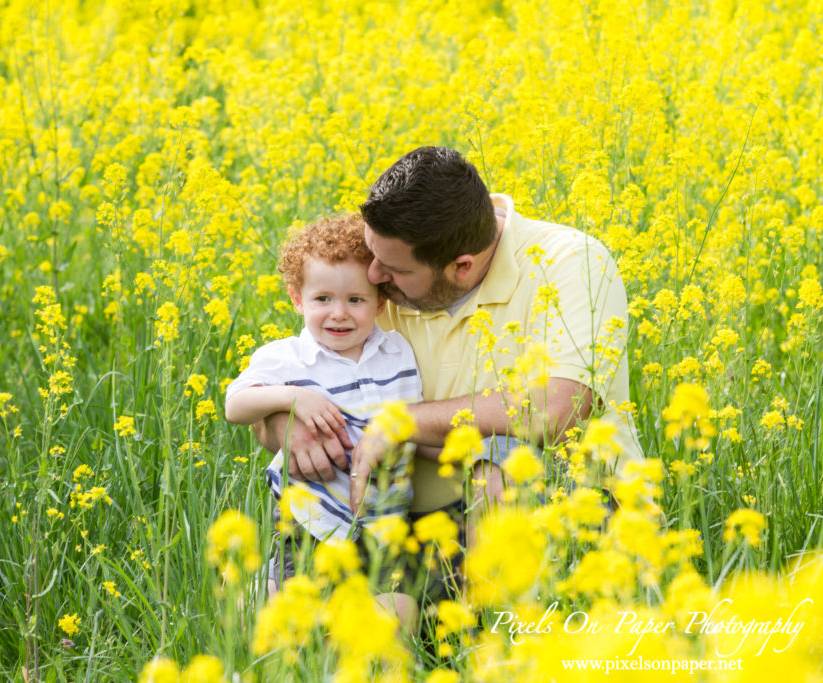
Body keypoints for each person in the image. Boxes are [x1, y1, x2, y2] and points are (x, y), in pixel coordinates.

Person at [256, 146, 643, 598]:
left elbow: (558, 408)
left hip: (558, 504)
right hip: (399, 524)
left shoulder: (571, 263)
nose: (374, 275)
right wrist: (286, 420)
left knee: (499, 463)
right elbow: (309, 375)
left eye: (394, 269)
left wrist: (401, 423)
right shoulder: (390, 259)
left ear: (460, 267)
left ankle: (499, 639)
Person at [224, 214, 423, 630]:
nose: (339, 314)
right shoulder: (285, 359)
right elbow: (235, 405)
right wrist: (292, 397)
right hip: (312, 525)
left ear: (380, 304)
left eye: (356, 300)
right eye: (322, 300)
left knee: (396, 619)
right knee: (287, 623)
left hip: (387, 525)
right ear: (298, 300)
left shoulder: (399, 351)